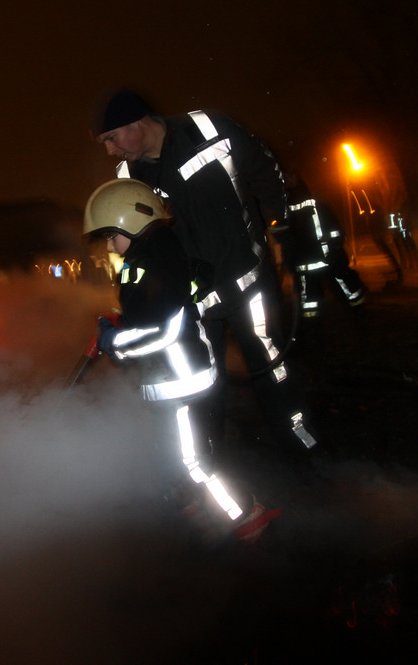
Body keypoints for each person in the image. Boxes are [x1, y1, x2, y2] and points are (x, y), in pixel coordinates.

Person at [89, 88, 320, 459]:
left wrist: (282, 227)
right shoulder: (128, 176)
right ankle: (210, 459)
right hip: (194, 301)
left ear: (137, 122)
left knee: (271, 363)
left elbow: (265, 171)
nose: (110, 151)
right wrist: (140, 301)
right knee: (201, 381)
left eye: (111, 138)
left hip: (248, 282)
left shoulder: (209, 128)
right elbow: (140, 245)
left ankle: (299, 441)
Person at [83, 178, 278, 543]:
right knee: (170, 454)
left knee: (193, 463)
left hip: (180, 384)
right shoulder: (152, 255)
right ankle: (192, 511)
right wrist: (124, 320)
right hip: (170, 380)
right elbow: (155, 310)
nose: (109, 245)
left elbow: (163, 330)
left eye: (112, 235)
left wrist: (115, 342)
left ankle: (247, 516)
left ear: (132, 222)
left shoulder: (158, 262)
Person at [283, 171, 367, 319]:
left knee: (318, 295)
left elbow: (331, 227)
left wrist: (335, 246)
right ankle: (357, 312)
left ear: (295, 177)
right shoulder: (294, 204)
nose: (286, 180)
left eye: (288, 176)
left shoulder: (291, 205)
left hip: (321, 258)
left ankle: (358, 313)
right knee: (320, 294)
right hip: (318, 258)